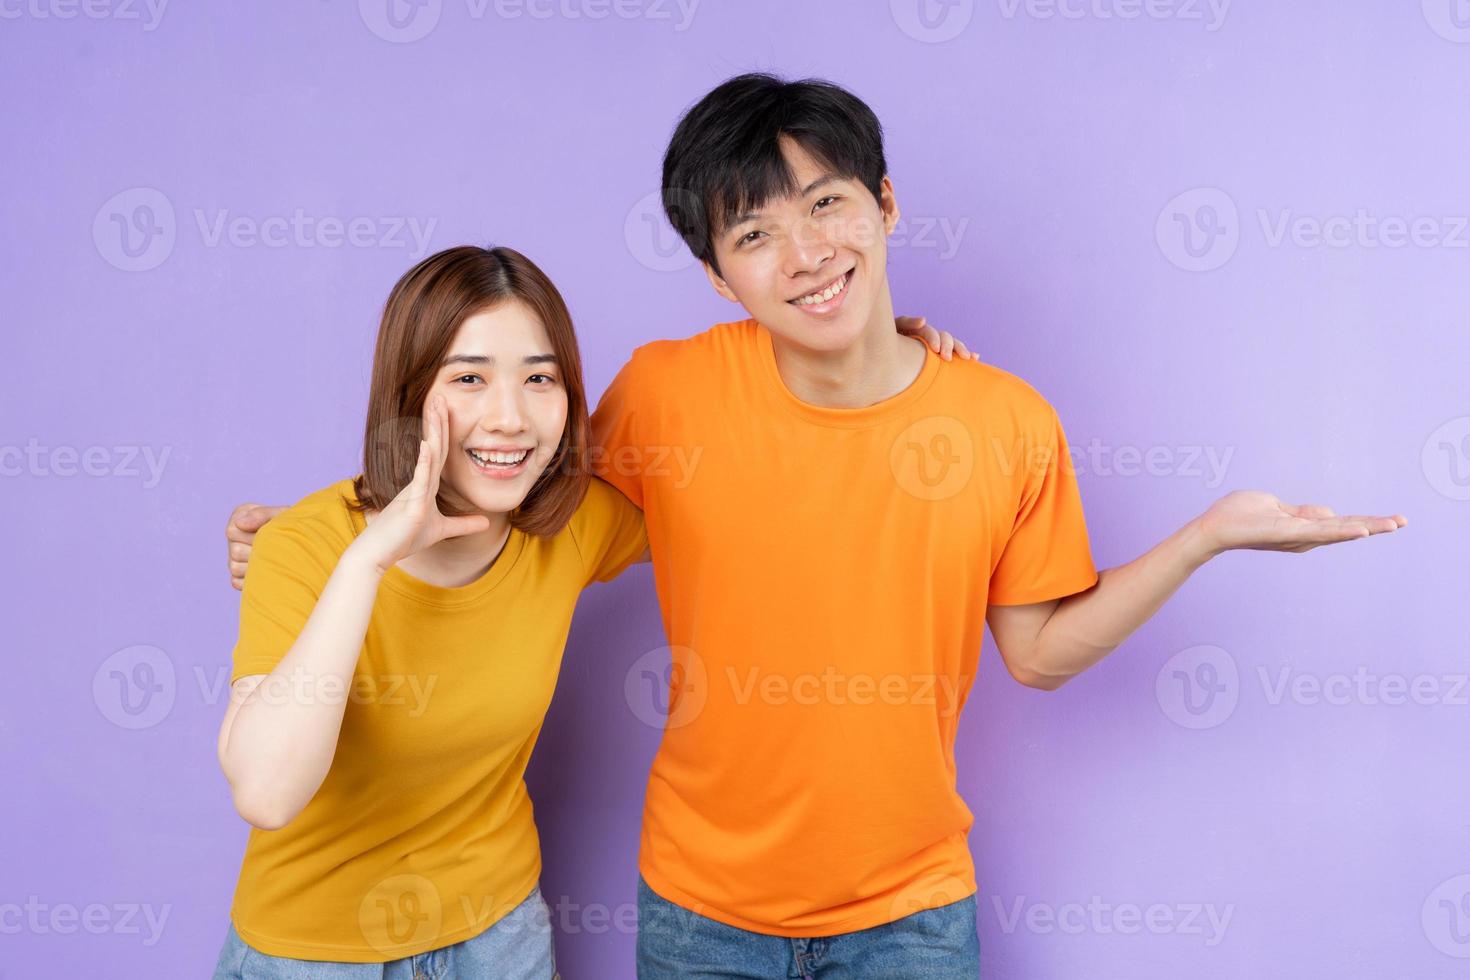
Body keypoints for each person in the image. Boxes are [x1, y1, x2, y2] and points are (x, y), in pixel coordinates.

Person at [228, 74, 1405, 979]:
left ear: (885, 204)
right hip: (697, 909)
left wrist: (1208, 535)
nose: (805, 256)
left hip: (912, 911)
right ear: (716, 274)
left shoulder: (1006, 421)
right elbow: (500, 471)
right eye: (754, 236)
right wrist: (324, 535)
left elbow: (1040, 652)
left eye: (828, 205)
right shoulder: (667, 394)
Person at [211, 245, 650, 978]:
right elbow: (265, 793)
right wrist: (364, 563)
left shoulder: (573, 526)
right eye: (469, 378)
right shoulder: (305, 548)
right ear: (409, 394)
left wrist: (864, 358)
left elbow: (745, 488)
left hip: (502, 940)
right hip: (315, 956)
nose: (509, 418)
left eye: (539, 378)